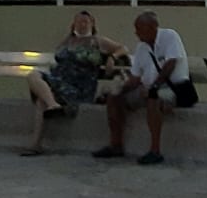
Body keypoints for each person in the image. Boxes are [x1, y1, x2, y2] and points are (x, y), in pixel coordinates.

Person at [93, 10, 197, 166]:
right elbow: (136, 77)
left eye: (139, 29)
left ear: (153, 27)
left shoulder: (170, 36)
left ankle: (155, 150)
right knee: (115, 99)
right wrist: (119, 90)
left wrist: (154, 87)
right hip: (146, 88)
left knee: (153, 98)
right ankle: (116, 145)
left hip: (173, 88)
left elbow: (171, 63)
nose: (136, 33)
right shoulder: (141, 48)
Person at [21, 10, 128, 156]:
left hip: (79, 87)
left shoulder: (97, 41)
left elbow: (123, 48)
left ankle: (53, 106)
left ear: (92, 24)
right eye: (78, 21)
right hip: (60, 81)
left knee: (36, 80)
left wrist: (112, 57)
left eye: (85, 21)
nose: (82, 24)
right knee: (39, 94)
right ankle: (37, 142)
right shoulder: (68, 41)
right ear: (73, 24)